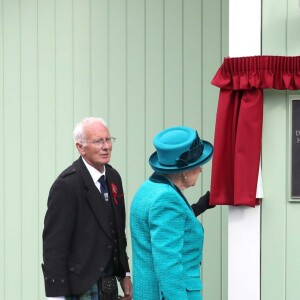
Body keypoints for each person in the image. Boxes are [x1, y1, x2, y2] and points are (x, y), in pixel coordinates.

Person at [42, 117, 132, 300]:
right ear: (80, 147)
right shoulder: (67, 185)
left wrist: (125, 274)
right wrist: (56, 296)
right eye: (98, 141)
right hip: (80, 286)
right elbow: (54, 246)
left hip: (109, 283)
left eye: (108, 139)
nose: (106, 146)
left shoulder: (114, 177)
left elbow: (118, 232)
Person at [130, 126, 214, 300]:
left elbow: (167, 225)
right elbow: (168, 265)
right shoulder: (166, 200)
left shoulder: (148, 188)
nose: (201, 170)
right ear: (183, 171)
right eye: (198, 165)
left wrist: (198, 207)